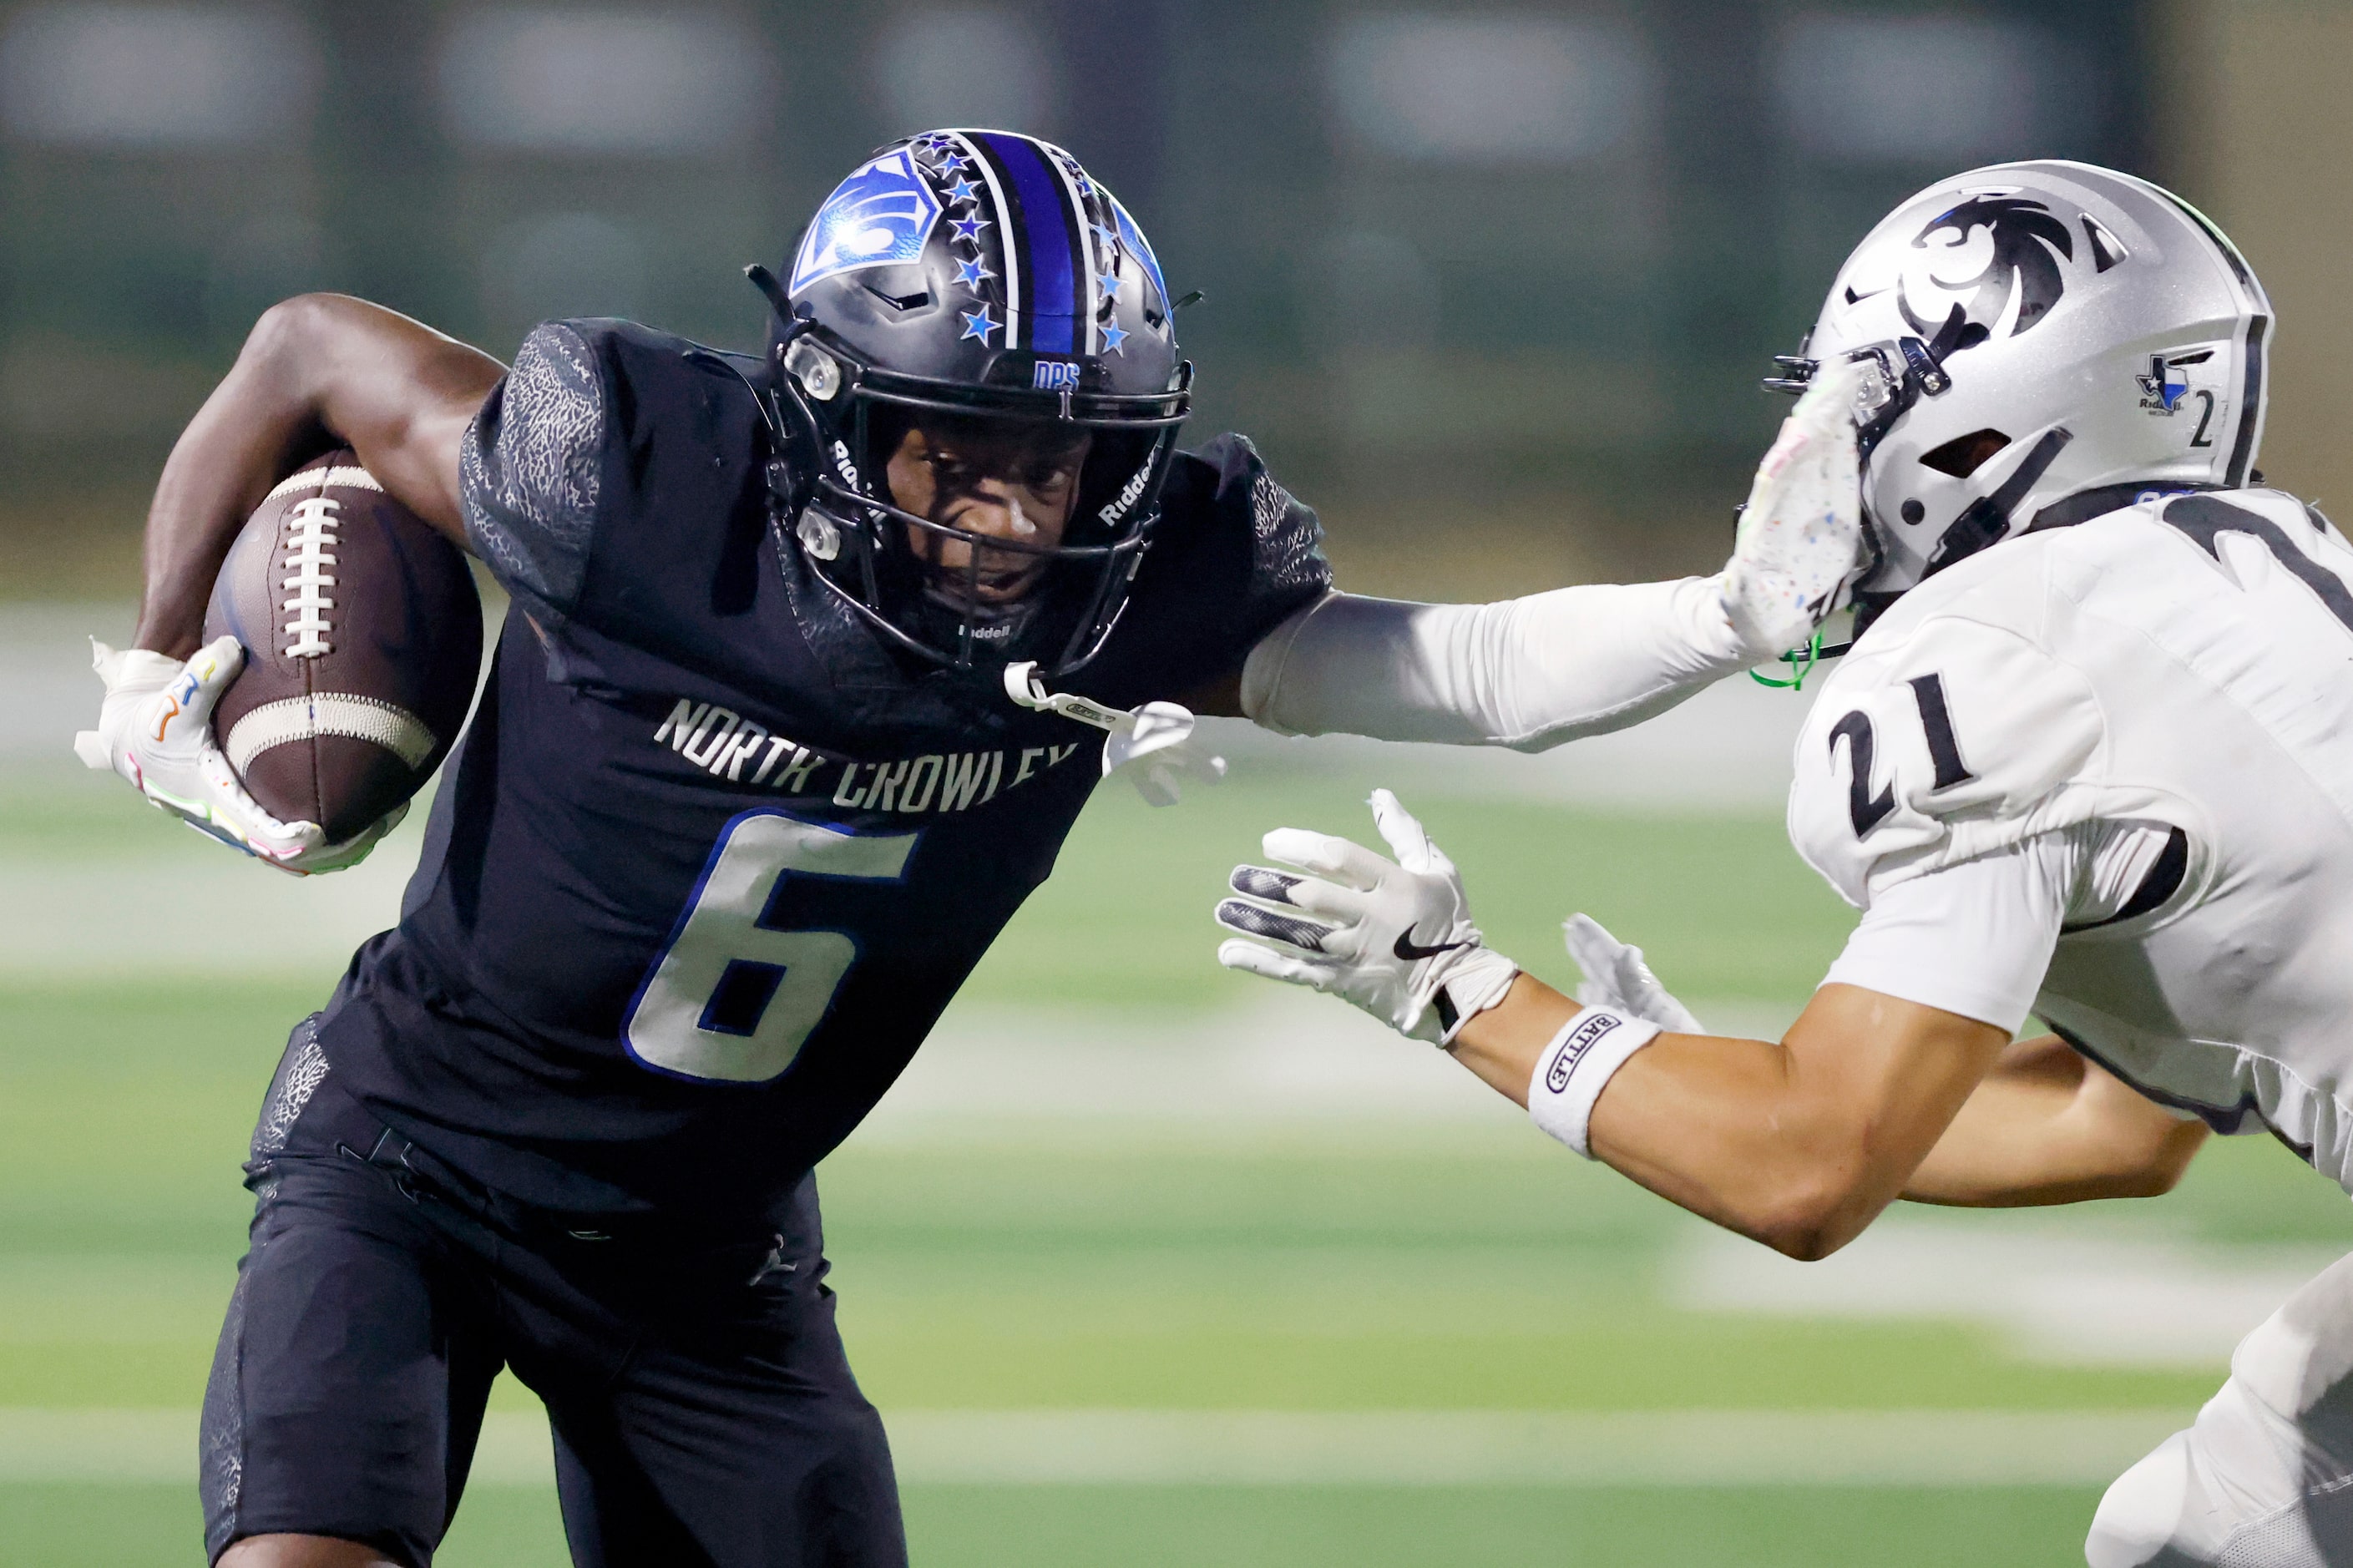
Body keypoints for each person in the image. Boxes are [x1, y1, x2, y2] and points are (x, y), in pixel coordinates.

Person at [78, 129, 1860, 1568]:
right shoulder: (631, 488)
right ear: (833, 412)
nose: (1023, 515)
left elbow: (1466, 675)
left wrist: (1723, 615)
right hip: (414, 1163)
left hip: (709, 1250)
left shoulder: (1130, 597)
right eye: (969, 454)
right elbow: (307, 347)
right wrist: (163, 664)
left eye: (1069, 462)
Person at [1214, 158, 2343, 1568]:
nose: (1816, 447)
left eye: (1864, 397)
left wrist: (1454, 989)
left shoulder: (1995, 662)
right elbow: (2106, 1124)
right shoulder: (2260, 567)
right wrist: (1680, 1079)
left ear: (1989, 419)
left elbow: (1803, 1174)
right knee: (2207, 1526)